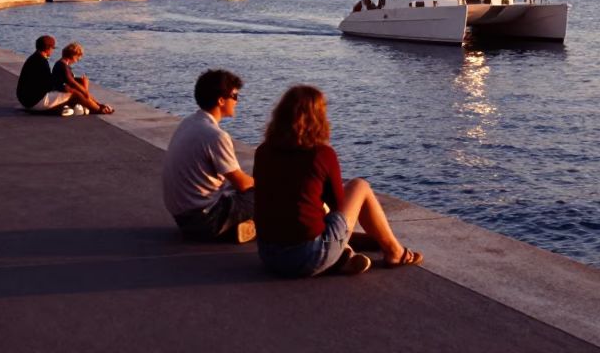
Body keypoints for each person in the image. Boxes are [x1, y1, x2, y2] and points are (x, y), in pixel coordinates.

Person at [254, 85, 423, 278]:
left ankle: (343, 257)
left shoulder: (263, 151)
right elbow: (338, 206)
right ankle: (394, 251)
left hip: (269, 256)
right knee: (359, 186)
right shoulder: (321, 154)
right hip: (309, 255)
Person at [162, 69, 256, 243]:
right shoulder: (215, 136)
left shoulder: (188, 123)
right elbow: (242, 184)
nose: (236, 101)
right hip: (206, 220)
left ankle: (239, 228)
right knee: (270, 193)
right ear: (221, 100)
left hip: (183, 218)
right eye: (234, 96)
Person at [15, 36, 98, 116]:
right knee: (74, 94)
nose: (52, 51)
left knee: (70, 90)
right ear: (47, 48)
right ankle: (98, 109)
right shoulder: (42, 62)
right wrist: (67, 88)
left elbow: (45, 80)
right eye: (52, 48)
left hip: (25, 99)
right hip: (33, 101)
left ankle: (64, 107)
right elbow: (49, 85)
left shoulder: (33, 58)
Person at [52, 42, 113, 115]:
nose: (76, 61)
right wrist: (85, 92)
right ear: (73, 56)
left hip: (63, 87)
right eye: (77, 59)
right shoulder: (62, 66)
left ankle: (94, 104)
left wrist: (84, 85)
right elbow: (71, 82)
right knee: (79, 92)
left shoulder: (62, 64)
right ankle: (98, 108)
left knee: (83, 81)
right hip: (60, 90)